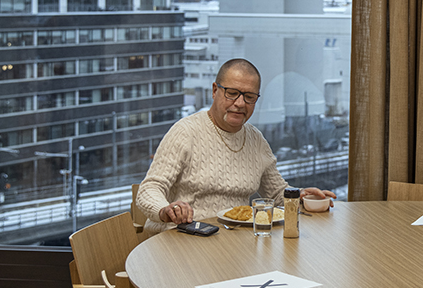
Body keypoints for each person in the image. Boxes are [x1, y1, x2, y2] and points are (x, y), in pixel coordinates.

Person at [136, 58, 336, 231]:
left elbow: (275, 193)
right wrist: (165, 210)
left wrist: (300, 198)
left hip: (233, 241)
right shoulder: (185, 132)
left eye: (249, 97)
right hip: (182, 236)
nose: (240, 103)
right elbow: (150, 189)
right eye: (232, 93)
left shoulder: (255, 140)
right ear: (215, 91)